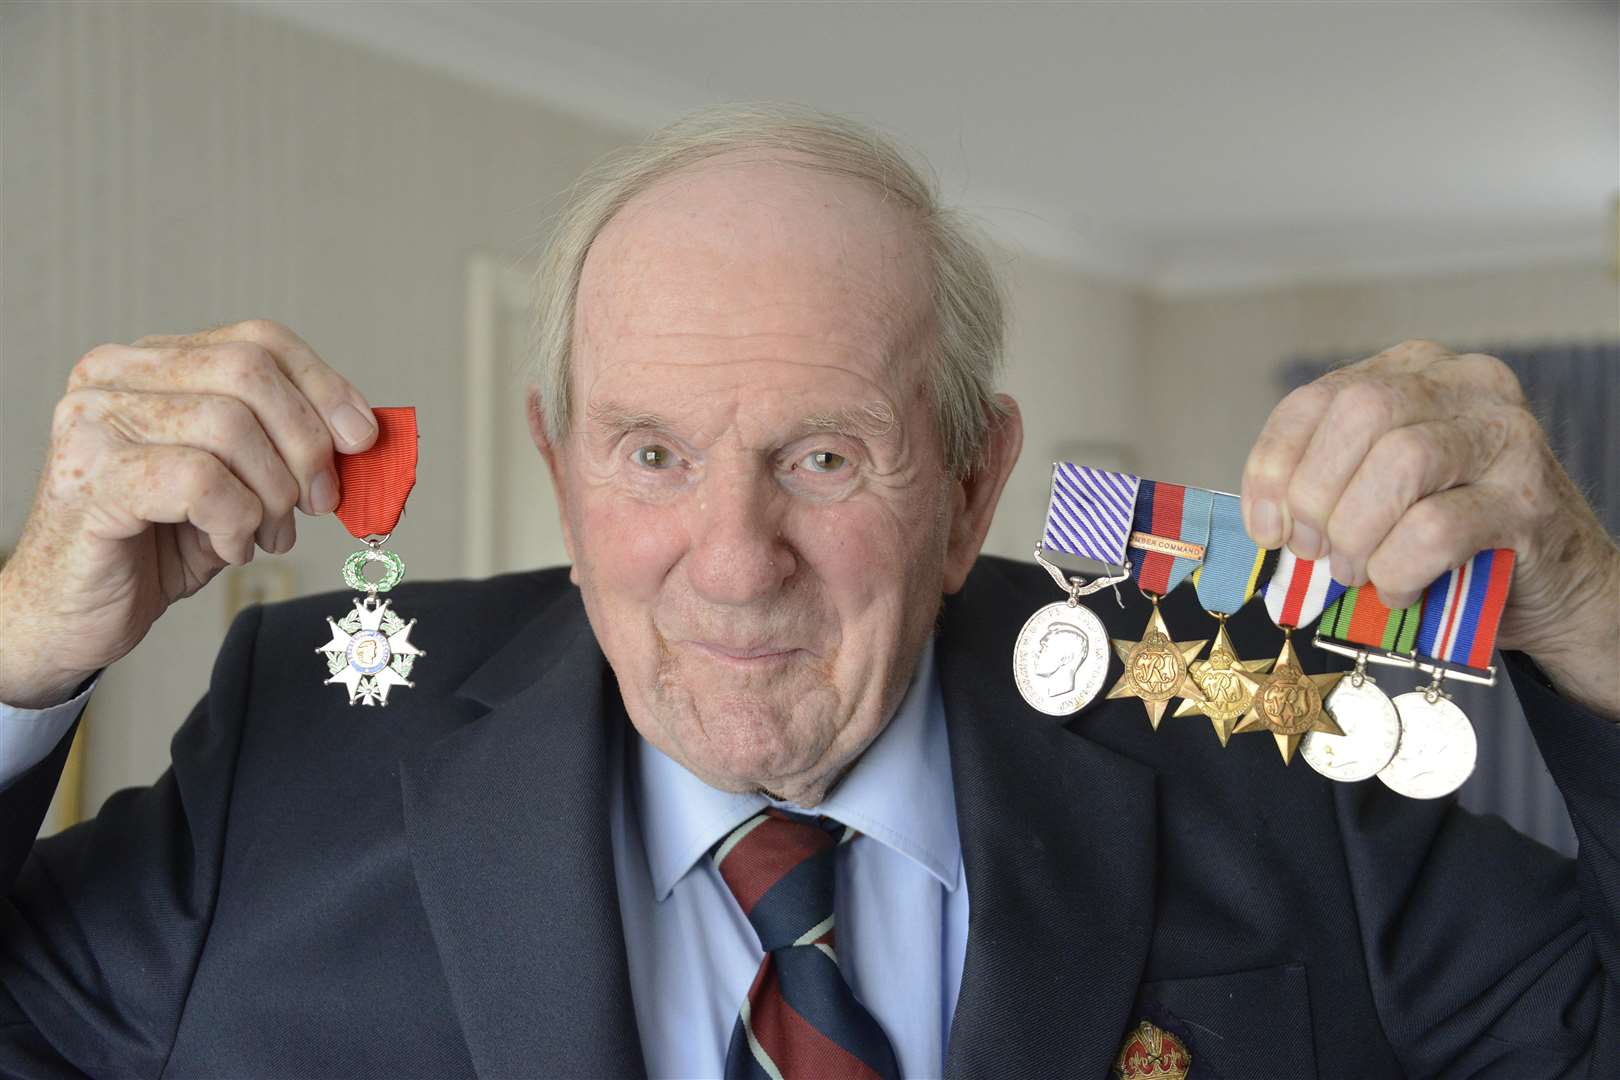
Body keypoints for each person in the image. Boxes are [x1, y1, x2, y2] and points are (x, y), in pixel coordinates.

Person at [1, 105, 1616, 1080]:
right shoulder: (308, 734)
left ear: (977, 480)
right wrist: (21, 656)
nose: (732, 557)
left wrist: (1588, 612)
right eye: (649, 455)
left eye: (826, 458)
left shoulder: (1243, 721)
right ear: (556, 461)